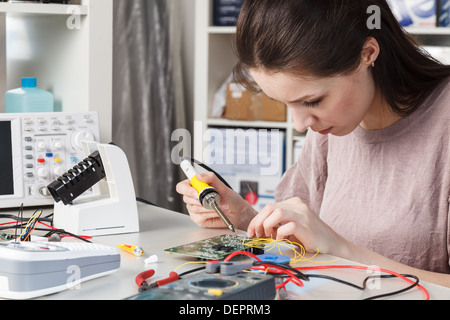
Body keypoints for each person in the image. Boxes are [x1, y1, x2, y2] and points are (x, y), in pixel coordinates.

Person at [176, 0, 450, 287]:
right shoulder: (329, 128)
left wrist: (343, 250)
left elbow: (330, 246)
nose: (299, 124)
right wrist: (245, 217)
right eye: (285, 104)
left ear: (367, 54)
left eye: (312, 101)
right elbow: (303, 239)